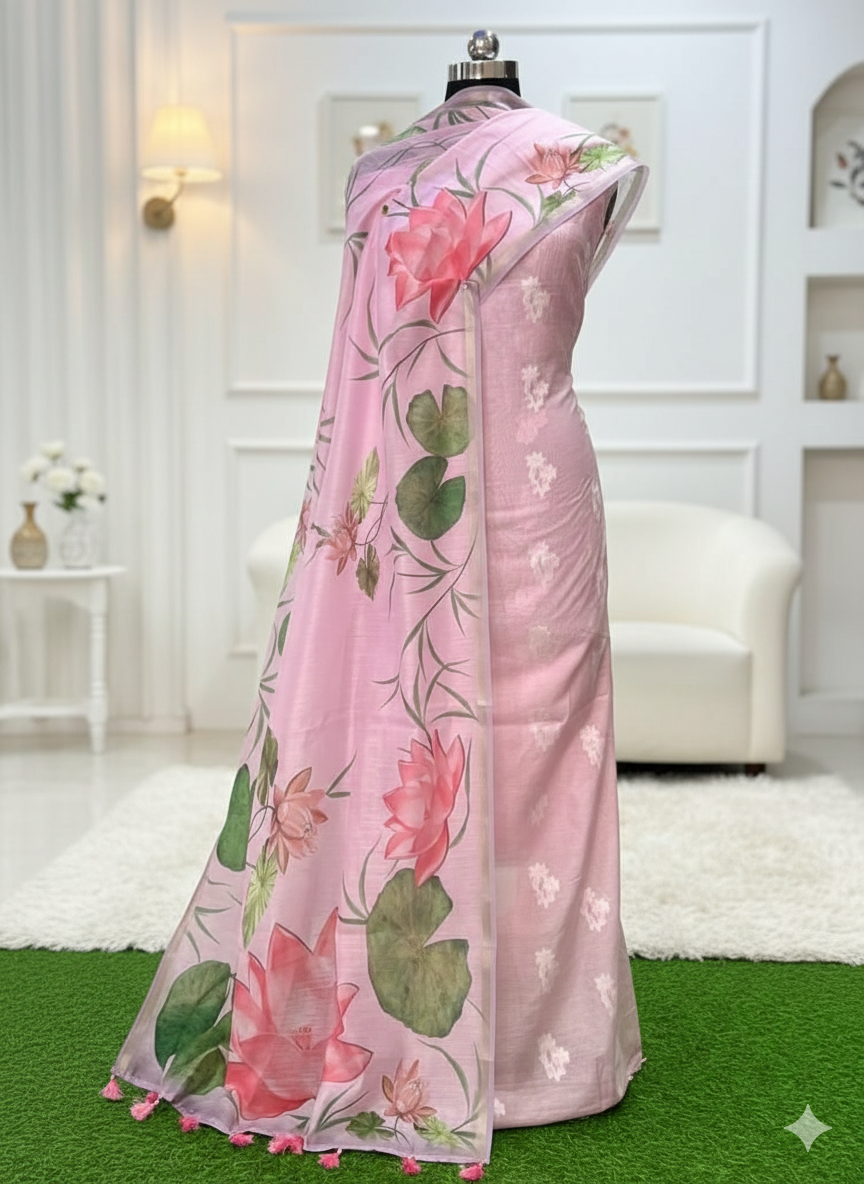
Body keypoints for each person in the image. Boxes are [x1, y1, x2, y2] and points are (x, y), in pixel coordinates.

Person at [106, 38, 648, 1170]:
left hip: (538, 509)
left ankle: (542, 1050)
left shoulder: (584, 161)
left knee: (544, 755)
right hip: (404, 499)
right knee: (403, 751)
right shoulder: (379, 172)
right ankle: (410, 1043)